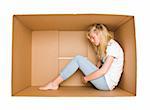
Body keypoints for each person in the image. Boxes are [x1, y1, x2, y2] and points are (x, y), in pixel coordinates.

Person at [39, 23, 124, 91]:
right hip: (104, 80)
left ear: (100, 34)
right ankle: (54, 83)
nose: (91, 40)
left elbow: (103, 71)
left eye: (93, 38)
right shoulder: (104, 46)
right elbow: (100, 62)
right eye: (90, 38)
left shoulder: (112, 46)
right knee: (79, 59)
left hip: (106, 84)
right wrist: (93, 68)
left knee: (78, 59)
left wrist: (87, 78)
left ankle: (54, 84)